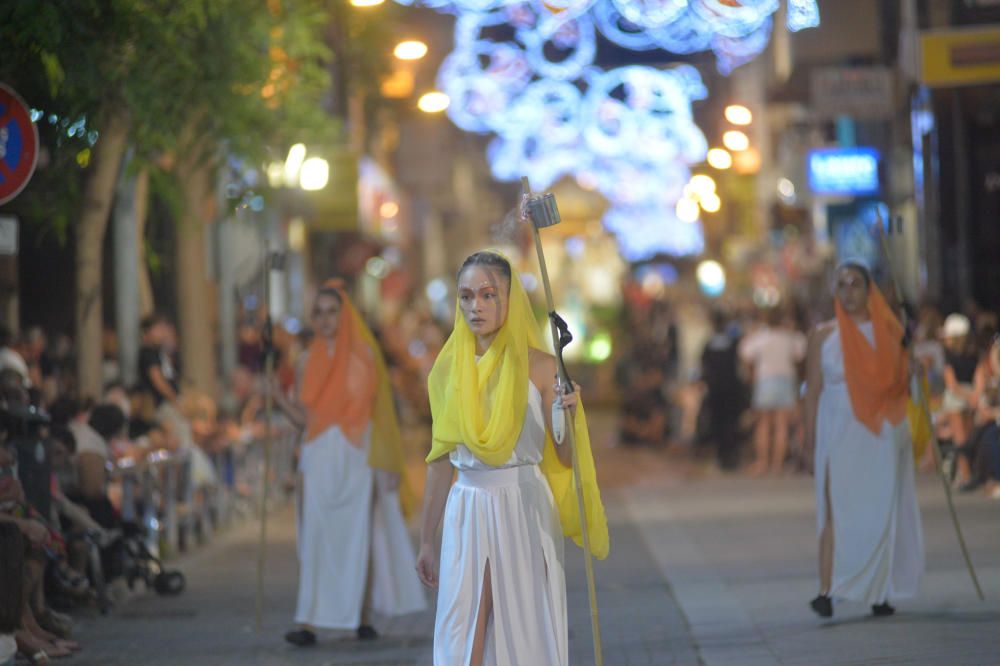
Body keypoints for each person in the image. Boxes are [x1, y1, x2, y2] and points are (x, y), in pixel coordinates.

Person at [415, 250, 609, 666]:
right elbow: (440, 459)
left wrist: (569, 414)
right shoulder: (447, 370)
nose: (476, 307)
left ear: (510, 298)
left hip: (523, 505)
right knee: (462, 630)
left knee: (523, 630)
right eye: (466, 297)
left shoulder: (542, 368)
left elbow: (563, 455)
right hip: (467, 504)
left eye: (488, 295)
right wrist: (426, 538)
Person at [272, 279, 424, 646]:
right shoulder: (307, 360)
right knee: (315, 538)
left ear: (344, 314)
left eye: (331, 311)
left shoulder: (364, 359)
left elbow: (379, 416)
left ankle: (362, 617)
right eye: (318, 313)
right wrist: (275, 394)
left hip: (357, 455)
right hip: (318, 456)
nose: (325, 320)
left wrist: (387, 464)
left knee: (360, 536)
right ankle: (307, 621)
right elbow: (305, 418)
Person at [803, 260, 923, 618]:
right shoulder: (822, 336)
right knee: (834, 504)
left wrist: (913, 370)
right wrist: (808, 440)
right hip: (838, 424)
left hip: (882, 429)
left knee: (879, 506)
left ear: (868, 289)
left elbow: (901, 383)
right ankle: (826, 590)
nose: (849, 290)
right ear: (835, 291)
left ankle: (879, 592)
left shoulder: (888, 331)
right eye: (843, 284)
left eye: (856, 283)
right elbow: (812, 391)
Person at [740, 308, 807, 475]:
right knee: (781, 424)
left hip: (765, 380)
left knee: (763, 424)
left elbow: (745, 353)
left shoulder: (760, 338)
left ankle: (763, 462)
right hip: (786, 379)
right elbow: (801, 353)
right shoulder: (789, 337)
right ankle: (777, 465)